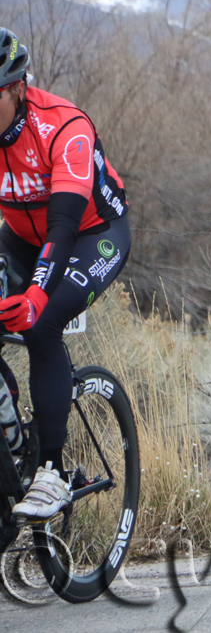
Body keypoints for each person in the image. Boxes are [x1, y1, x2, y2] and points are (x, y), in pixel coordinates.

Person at [0, 29, 130, 519]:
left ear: (15, 88)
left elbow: (63, 222)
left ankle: (50, 472)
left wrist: (35, 292)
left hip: (91, 234)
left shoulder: (64, 126)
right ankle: (15, 449)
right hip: (19, 235)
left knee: (41, 320)